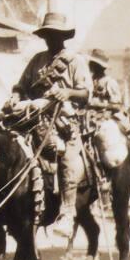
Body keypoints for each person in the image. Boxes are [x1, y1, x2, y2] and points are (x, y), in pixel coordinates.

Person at [7, 12, 91, 237]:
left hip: (63, 120)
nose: (50, 39)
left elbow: (84, 93)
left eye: (54, 35)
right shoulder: (37, 60)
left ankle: (67, 211)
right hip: (33, 117)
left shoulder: (75, 61)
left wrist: (67, 92)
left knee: (65, 156)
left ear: (63, 36)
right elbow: (20, 85)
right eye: (47, 34)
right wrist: (16, 95)